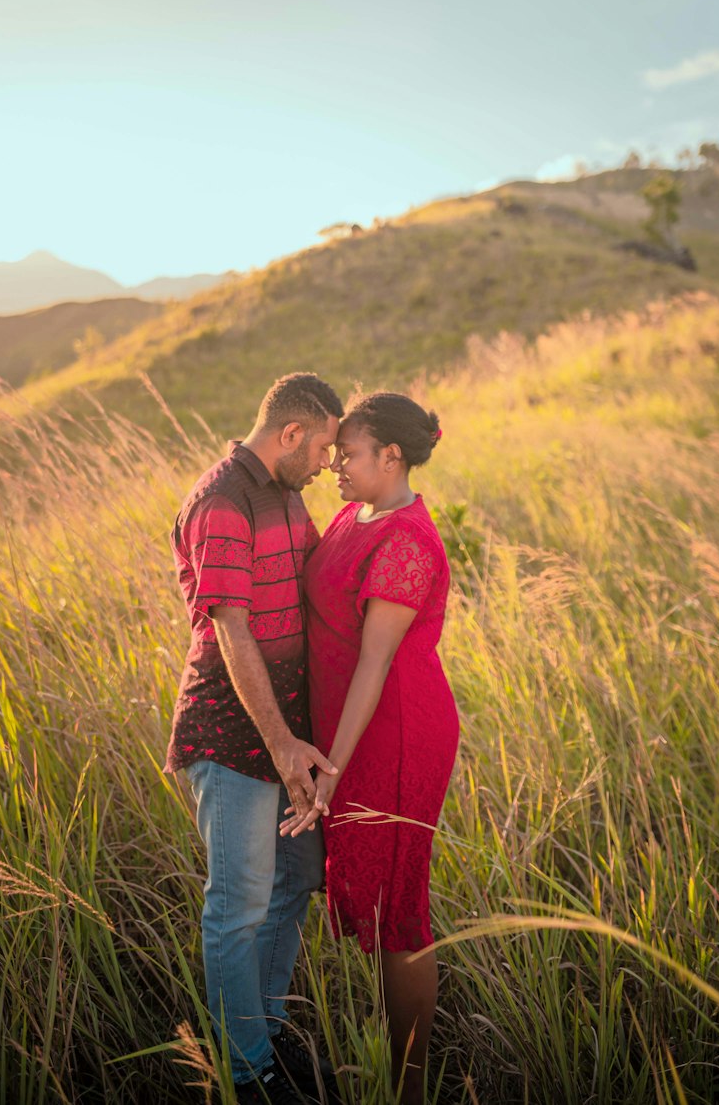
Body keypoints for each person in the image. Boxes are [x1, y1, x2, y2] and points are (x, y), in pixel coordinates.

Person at [164, 372, 344, 1104]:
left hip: (288, 735)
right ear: (293, 433)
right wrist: (280, 746)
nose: (330, 463)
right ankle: (247, 1072)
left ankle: (266, 1034)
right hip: (232, 734)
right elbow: (231, 628)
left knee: (297, 879)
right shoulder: (222, 499)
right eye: (327, 446)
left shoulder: (287, 491)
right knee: (236, 903)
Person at [281, 392, 460, 1105]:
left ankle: (408, 1089)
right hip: (351, 729)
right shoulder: (358, 513)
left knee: (401, 915)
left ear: (392, 457)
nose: (336, 467)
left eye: (348, 454)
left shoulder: (409, 542)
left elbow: (375, 665)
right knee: (381, 904)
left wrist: (333, 767)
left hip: (394, 734)